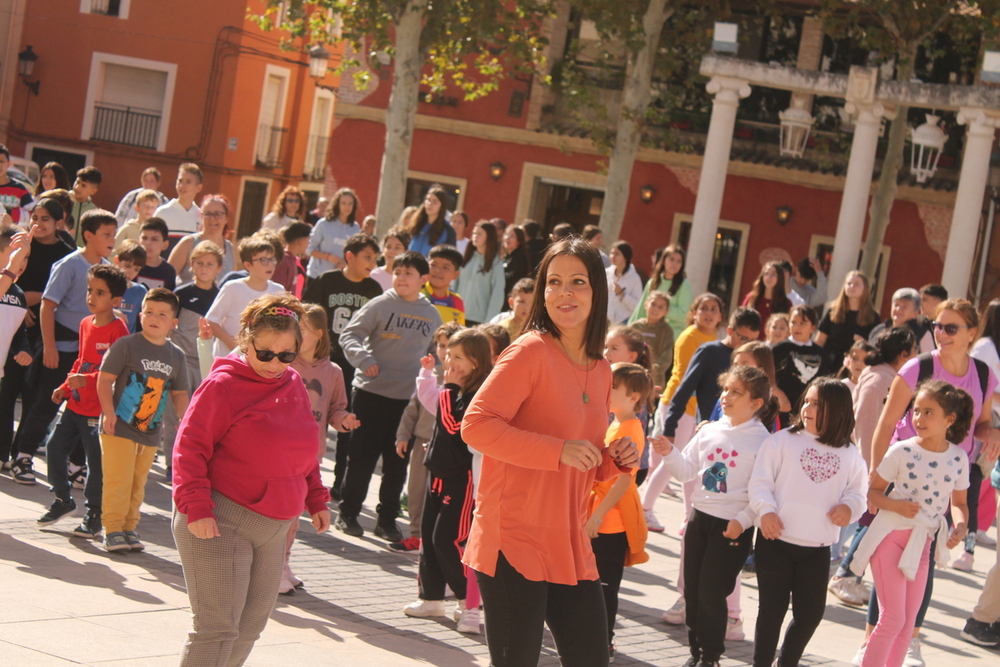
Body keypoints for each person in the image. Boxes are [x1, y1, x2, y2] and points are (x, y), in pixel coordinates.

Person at [461, 236, 640, 667]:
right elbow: (476, 426)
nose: (564, 292)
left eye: (577, 281)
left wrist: (612, 459)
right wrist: (558, 451)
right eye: (554, 281)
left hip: (570, 540)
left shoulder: (600, 370)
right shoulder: (529, 351)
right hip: (514, 540)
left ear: (598, 290)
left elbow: (583, 453)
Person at [171, 294, 331, 665]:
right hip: (221, 519)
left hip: (276, 526)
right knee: (217, 628)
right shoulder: (222, 385)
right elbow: (189, 448)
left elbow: (303, 443)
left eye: (287, 354)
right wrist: (197, 508)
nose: (276, 363)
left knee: (249, 627)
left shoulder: (291, 381)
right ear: (246, 340)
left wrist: (316, 497)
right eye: (266, 353)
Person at [851, 298, 1000, 664]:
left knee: (918, 576)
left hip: (946, 479)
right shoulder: (918, 367)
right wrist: (876, 474)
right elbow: (887, 424)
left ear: (971, 333)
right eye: (937, 326)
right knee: (892, 597)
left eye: (951, 328)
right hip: (905, 476)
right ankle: (871, 643)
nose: (941, 333)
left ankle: (899, 643)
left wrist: (993, 431)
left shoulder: (982, 374)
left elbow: (978, 424)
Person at [653, 366, 776, 667]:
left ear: (756, 403)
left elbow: (765, 492)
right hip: (699, 519)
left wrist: (743, 521)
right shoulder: (709, 429)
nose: (726, 397)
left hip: (731, 527)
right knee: (692, 593)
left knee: (711, 593)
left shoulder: (764, 442)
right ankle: (695, 654)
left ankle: (710, 657)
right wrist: (669, 452)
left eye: (736, 392)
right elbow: (685, 471)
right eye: (725, 390)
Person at [851, 380, 972, 667]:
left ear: (949, 419)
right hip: (889, 537)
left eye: (928, 412)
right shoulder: (901, 451)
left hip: (923, 545)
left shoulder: (958, 458)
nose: (919, 418)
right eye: (916, 411)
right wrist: (897, 506)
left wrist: (960, 526)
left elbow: (959, 503)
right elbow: (873, 492)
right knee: (892, 619)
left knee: (908, 625)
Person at [749, 377, 868, 667]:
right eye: (807, 401)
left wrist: (849, 507)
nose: (807, 408)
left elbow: (859, 494)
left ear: (838, 411)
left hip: (816, 549)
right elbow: (760, 483)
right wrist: (766, 511)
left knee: (810, 615)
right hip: (774, 542)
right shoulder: (781, 441)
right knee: (771, 612)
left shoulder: (851, 455)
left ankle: (787, 662)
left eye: (817, 404)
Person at [655, 305, 762, 625]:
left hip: (738, 504)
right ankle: (687, 598)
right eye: (737, 358)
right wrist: (673, 427)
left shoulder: (763, 414)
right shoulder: (711, 360)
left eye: (748, 363)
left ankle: (731, 613)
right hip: (710, 473)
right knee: (694, 529)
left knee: (727, 559)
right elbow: (685, 388)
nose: (738, 366)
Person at [335, 251, 442, 540]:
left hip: (408, 401)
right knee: (361, 458)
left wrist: (436, 380)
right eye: (397, 272)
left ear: (424, 279)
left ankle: (386, 520)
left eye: (409, 273)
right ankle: (348, 514)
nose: (401, 278)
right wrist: (363, 358)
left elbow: (437, 354)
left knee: (397, 463)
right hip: (371, 393)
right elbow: (349, 335)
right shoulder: (379, 304)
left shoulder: (432, 314)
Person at [9, 209, 117, 485]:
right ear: (89, 235)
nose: (112, 239)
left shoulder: (106, 269)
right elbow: (48, 304)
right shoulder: (69, 264)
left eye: (114, 234)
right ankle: (22, 456)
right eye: (106, 234)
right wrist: (49, 347)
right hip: (60, 347)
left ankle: (76, 465)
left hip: (90, 353)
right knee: (46, 403)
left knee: (87, 408)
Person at [403, 328, 493, 636]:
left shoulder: (477, 393)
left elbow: (456, 425)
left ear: (477, 363)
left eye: (458, 358)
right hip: (437, 473)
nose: (449, 362)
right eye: (448, 355)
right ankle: (430, 597)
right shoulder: (450, 389)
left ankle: (470, 604)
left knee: (449, 540)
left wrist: (448, 388)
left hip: (462, 480)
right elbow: (432, 404)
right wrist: (427, 376)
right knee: (428, 537)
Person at [37, 264, 130, 537]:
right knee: (54, 448)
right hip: (75, 405)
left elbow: (116, 372)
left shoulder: (118, 330)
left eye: (99, 293)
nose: (91, 296)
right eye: (90, 290)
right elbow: (80, 361)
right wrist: (66, 386)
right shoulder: (85, 323)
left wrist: (86, 381)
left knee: (96, 464)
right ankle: (62, 500)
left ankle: (94, 514)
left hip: (98, 410)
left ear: (115, 300)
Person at [97, 288, 190, 552]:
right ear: (140, 315)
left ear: (174, 323)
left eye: (162, 314)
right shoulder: (127, 345)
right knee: (119, 480)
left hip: (150, 432)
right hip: (118, 427)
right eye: (149, 312)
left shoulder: (177, 355)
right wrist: (109, 413)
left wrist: (187, 421)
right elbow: (104, 380)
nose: (154, 318)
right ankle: (112, 529)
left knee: (138, 483)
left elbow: (180, 393)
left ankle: (129, 528)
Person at [285, 303, 359, 593]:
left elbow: (336, 410)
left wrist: (345, 421)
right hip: (282, 451)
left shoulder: (334, 371)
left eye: (302, 329)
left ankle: (283, 563)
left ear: (318, 333)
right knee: (284, 513)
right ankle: (272, 566)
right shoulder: (285, 362)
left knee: (295, 516)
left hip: (310, 455)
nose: (297, 335)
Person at [301, 233, 382, 495]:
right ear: (350, 256)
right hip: (323, 360)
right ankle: (304, 476)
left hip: (355, 366)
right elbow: (306, 316)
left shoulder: (374, 290)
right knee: (314, 419)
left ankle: (339, 483)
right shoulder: (327, 281)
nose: (373, 262)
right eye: (367, 256)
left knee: (346, 420)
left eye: (375, 258)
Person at [0, 200, 73, 474]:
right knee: (4, 404)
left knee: (23, 399)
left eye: (26, 258)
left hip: (18, 355)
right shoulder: (10, 265)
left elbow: (19, 326)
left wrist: (25, 345)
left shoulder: (19, 293)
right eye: (35, 217)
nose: (22, 263)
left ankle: (16, 454)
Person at [643, 293, 725, 537]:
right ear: (694, 312)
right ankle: (645, 508)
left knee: (690, 463)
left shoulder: (712, 339)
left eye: (714, 309)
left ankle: (690, 516)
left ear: (721, 316)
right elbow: (690, 380)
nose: (709, 313)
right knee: (674, 461)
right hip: (678, 406)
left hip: (695, 409)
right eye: (704, 308)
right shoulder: (691, 337)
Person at [586, 362, 650, 660]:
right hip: (599, 515)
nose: (606, 391)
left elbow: (625, 478)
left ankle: (605, 643)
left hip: (611, 522)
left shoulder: (630, 428)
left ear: (634, 396)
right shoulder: (615, 422)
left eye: (613, 387)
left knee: (605, 587)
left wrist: (597, 516)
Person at [391, 321, 463, 555]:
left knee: (439, 496)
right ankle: (415, 535)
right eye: (440, 345)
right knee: (416, 490)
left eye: (449, 347)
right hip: (422, 443)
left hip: (444, 448)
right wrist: (403, 434)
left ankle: (433, 538)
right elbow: (413, 407)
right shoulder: (430, 373)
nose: (443, 351)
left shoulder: (462, 379)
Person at [162, 240, 224, 482]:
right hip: (180, 361)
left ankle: (196, 465)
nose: (204, 268)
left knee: (202, 419)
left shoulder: (221, 298)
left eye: (210, 264)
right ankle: (171, 463)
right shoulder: (181, 294)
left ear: (219, 267)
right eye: (199, 263)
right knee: (173, 416)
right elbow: (169, 327)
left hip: (207, 364)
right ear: (191, 265)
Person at [206, 235, 285, 358]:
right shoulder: (232, 288)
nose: (270, 265)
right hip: (227, 359)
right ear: (248, 265)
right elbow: (211, 321)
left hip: (260, 360)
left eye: (272, 259)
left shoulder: (278, 290)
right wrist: (234, 344)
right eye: (263, 260)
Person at [816, 271, 879, 377]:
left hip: (855, 368)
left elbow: (875, 347)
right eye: (849, 283)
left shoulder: (873, 317)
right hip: (829, 364)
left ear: (865, 288)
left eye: (857, 284)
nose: (852, 286)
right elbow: (820, 341)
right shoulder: (833, 311)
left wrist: (864, 343)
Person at [772, 305, 823, 427]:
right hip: (781, 409)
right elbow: (767, 377)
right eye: (793, 322)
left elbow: (822, 383)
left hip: (807, 411)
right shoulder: (780, 348)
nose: (797, 327)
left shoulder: (820, 352)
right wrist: (780, 396)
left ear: (813, 327)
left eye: (803, 323)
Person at [167, 194, 236, 283]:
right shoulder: (188, 243)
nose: (212, 218)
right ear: (201, 216)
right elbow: (167, 277)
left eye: (217, 214)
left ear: (226, 218)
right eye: (207, 214)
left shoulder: (231, 249)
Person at [630, 243, 692, 338]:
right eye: (672, 259)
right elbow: (642, 308)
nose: (675, 264)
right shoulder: (653, 282)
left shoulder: (684, 285)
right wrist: (631, 329)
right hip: (649, 332)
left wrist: (660, 309)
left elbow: (684, 315)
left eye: (679, 261)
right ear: (664, 260)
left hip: (672, 334)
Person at [455, 220, 504, 325]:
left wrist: (489, 322)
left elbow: (497, 294)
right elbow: (455, 284)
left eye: (479, 234)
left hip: (479, 319)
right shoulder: (466, 259)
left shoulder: (496, 264)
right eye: (474, 233)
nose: (475, 236)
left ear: (489, 237)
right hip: (458, 315)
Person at [306, 188, 361, 279]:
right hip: (317, 276)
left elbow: (356, 254)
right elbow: (309, 249)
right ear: (337, 204)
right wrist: (327, 257)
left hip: (340, 277)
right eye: (343, 203)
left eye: (350, 204)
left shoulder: (355, 228)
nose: (347, 207)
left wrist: (345, 263)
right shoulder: (324, 224)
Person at [867, 288, 935, 353]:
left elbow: (929, 362)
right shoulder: (878, 330)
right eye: (896, 305)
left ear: (915, 313)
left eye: (905, 307)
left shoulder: (922, 334)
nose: (898, 309)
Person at [630, 291, 673, 390]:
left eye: (661, 307)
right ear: (646, 305)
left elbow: (666, 358)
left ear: (666, 312)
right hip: (632, 376)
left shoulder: (667, 331)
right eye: (653, 304)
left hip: (654, 380)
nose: (656, 309)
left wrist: (650, 369)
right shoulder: (635, 326)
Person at [153, 163, 204, 244]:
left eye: (188, 182)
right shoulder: (162, 213)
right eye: (180, 180)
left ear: (199, 188)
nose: (182, 185)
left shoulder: (202, 217)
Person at [743, 261, 792, 340]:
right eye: (766, 274)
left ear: (780, 278)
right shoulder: (751, 298)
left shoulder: (786, 303)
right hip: (750, 343)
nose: (769, 277)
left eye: (773, 274)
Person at [421, 244, 466, 325]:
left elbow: (459, 333)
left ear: (456, 275)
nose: (438, 270)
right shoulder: (417, 294)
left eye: (445, 267)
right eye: (433, 265)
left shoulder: (457, 301)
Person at [407, 187, 455, 257]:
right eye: (428, 200)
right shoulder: (416, 224)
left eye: (435, 202)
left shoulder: (448, 230)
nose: (430, 204)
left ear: (441, 206)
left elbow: (451, 257)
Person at [112, 241, 149, 332]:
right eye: (128, 266)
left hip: (126, 343)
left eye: (137, 269)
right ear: (117, 261)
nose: (131, 272)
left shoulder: (140, 291)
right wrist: (112, 313)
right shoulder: (104, 285)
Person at [606, 241, 643, 326]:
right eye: (611, 253)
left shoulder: (635, 279)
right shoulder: (606, 273)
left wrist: (622, 294)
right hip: (605, 320)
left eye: (617, 254)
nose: (612, 256)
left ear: (625, 257)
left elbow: (637, 307)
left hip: (623, 322)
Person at [136, 218, 177, 291]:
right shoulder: (131, 264)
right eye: (144, 238)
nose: (148, 243)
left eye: (154, 239)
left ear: (165, 245)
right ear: (138, 240)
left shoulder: (168, 271)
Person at [272, 222, 310, 296]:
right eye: (308, 241)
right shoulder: (282, 261)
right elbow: (277, 293)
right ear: (300, 242)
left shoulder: (295, 260)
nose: (309, 244)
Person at [69, 167, 102, 247]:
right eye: (77, 182)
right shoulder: (64, 202)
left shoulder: (94, 212)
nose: (77, 187)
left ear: (93, 191)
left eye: (83, 185)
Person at [371, 226, 410, 292]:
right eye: (388, 247)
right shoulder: (374, 276)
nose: (391, 251)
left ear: (406, 252)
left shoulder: (409, 278)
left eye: (397, 248)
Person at [494, 277, 533, 341]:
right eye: (521, 302)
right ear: (511, 302)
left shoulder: (540, 330)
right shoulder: (502, 329)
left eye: (532, 302)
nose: (527, 307)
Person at [501, 224, 530, 306]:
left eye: (512, 236)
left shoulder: (520, 257)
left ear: (519, 241)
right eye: (506, 234)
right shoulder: (505, 257)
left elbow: (514, 277)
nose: (507, 238)